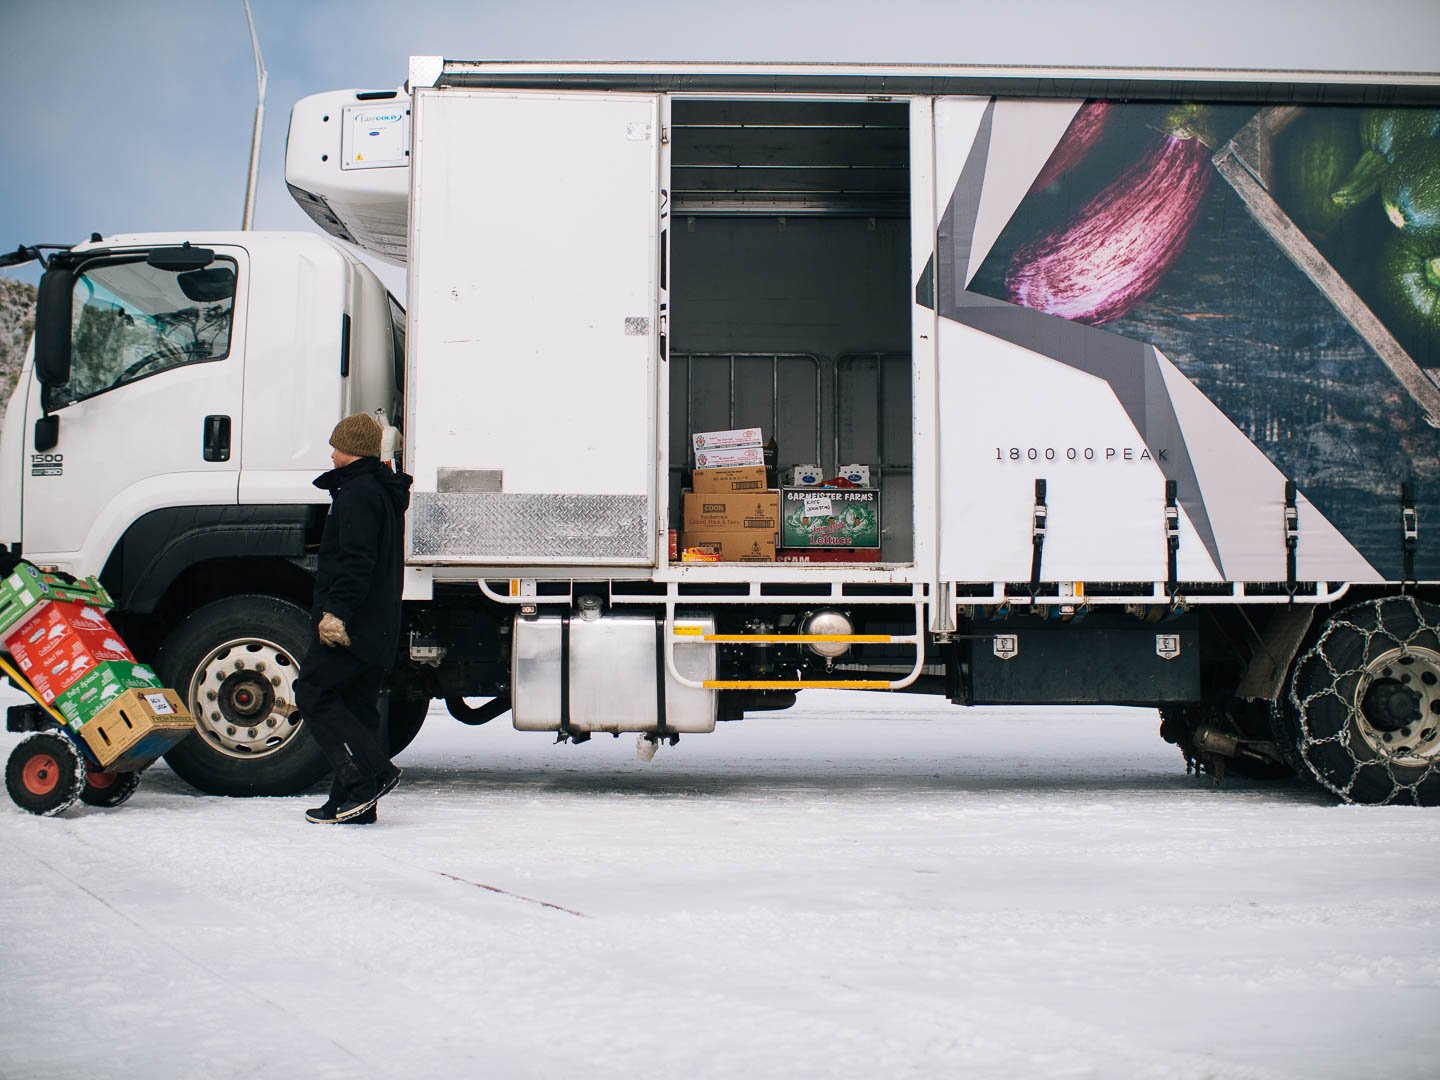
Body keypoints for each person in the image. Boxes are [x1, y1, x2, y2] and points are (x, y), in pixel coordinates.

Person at [296, 412, 413, 824]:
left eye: (338, 446)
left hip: (355, 622)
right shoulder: (378, 490)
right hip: (379, 619)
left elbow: (355, 562)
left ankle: (372, 775)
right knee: (357, 706)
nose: (332, 453)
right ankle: (353, 803)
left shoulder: (359, 493)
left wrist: (335, 614)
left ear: (355, 451)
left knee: (312, 691)